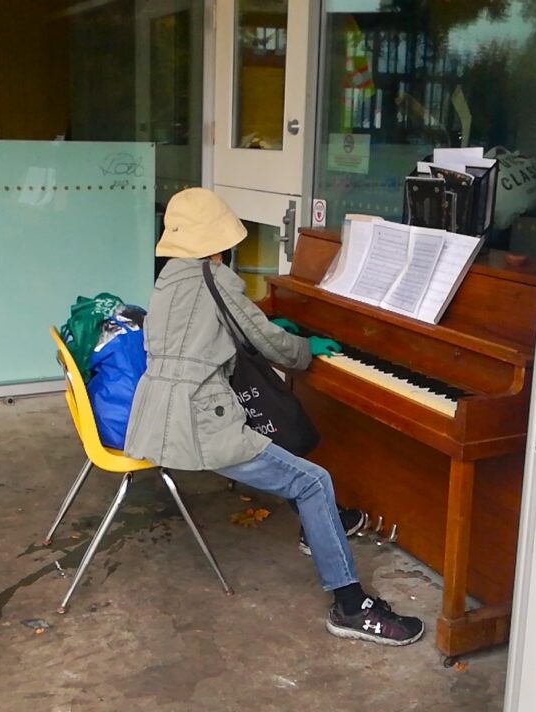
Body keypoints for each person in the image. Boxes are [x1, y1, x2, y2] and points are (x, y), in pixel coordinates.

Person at [124, 188, 424, 646]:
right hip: (201, 425)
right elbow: (270, 344)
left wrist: (257, 330)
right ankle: (349, 605)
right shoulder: (216, 277)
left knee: (283, 452)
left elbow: (211, 333)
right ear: (220, 243)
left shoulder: (167, 278)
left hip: (156, 417)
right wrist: (306, 349)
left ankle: (324, 524)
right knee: (314, 481)